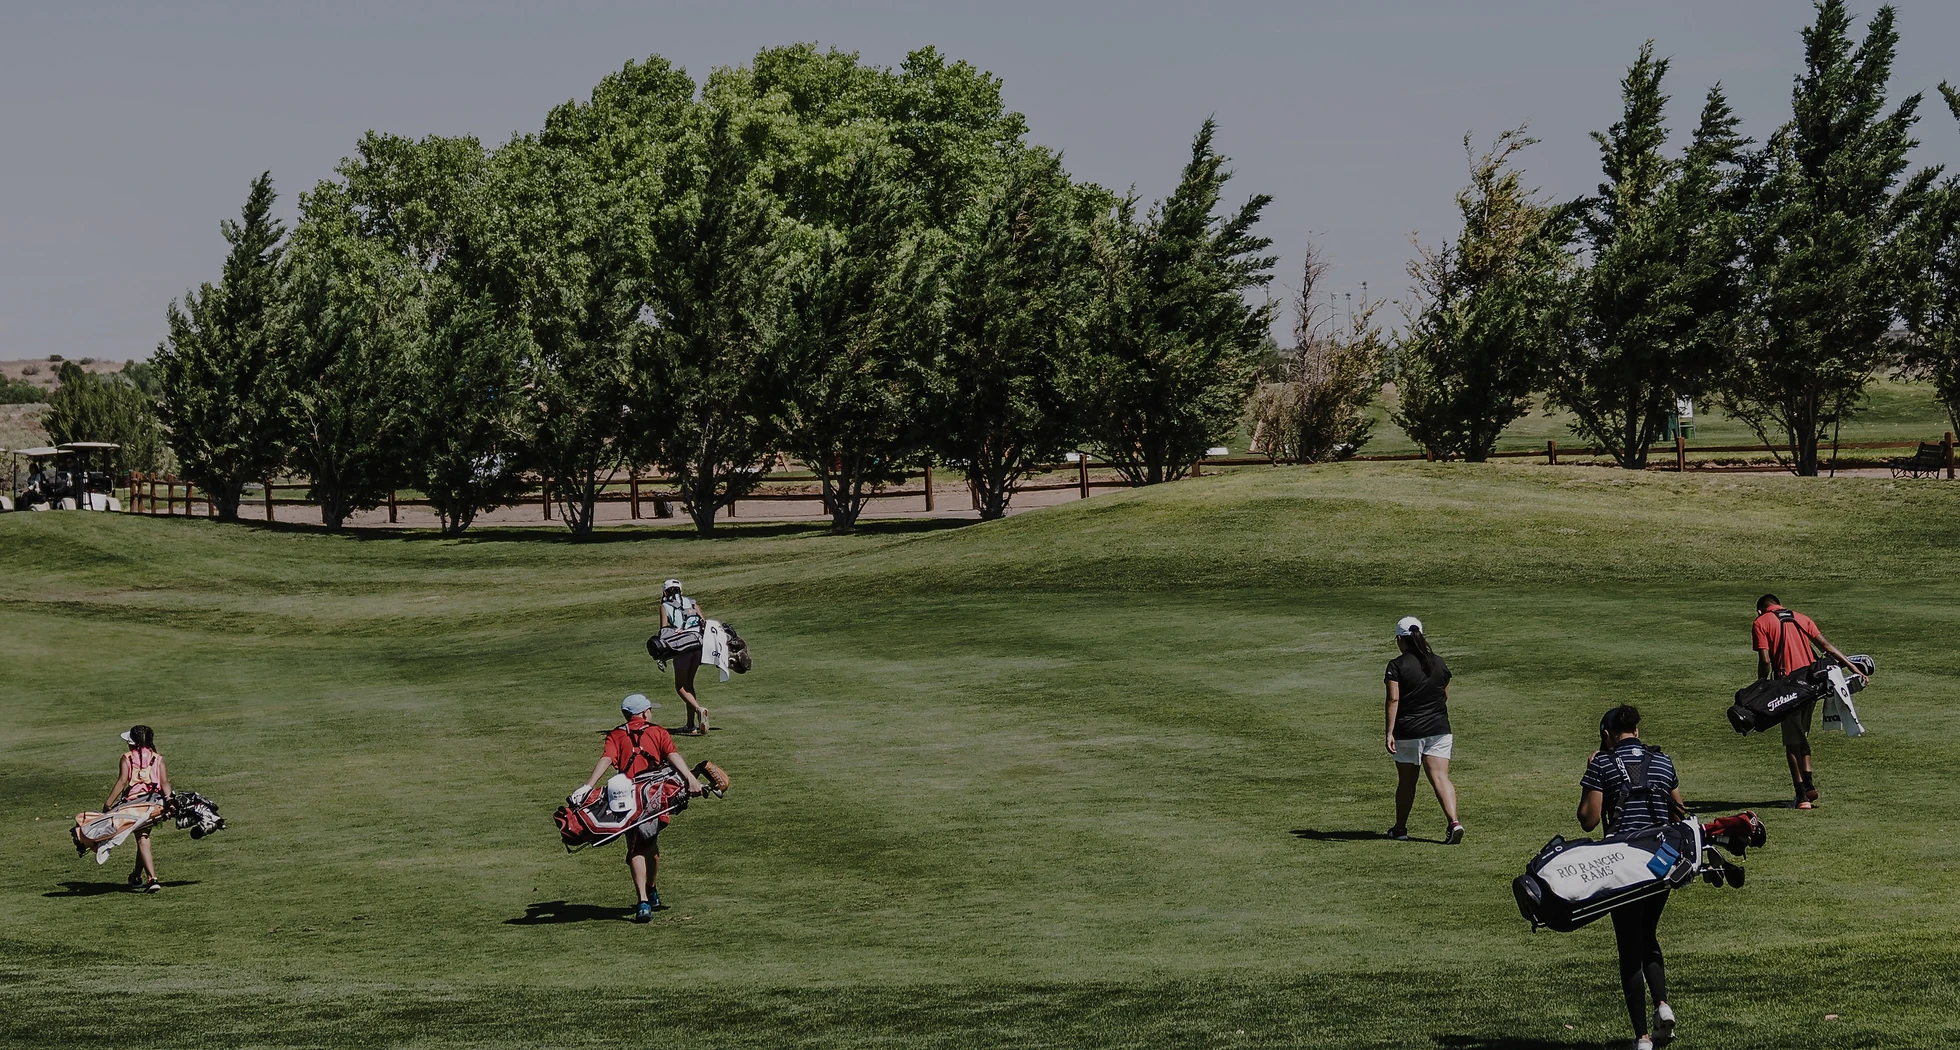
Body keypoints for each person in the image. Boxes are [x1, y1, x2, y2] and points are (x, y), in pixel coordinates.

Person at [1578, 705, 1687, 1050]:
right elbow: (1679, 812)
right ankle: (1662, 1005)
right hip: (1661, 861)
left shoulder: (1602, 763)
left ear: (1607, 735)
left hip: (1623, 863)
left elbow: (1588, 820)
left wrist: (1591, 772)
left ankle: (1641, 1036)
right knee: (1648, 934)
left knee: (1628, 945)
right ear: (1637, 731)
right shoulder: (1663, 761)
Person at [570, 693, 704, 922]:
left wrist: (587, 786)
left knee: (645, 846)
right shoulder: (657, 731)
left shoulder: (615, 735)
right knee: (640, 847)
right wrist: (691, 779)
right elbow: (672, 756)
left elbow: (606, 759)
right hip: (653, 796)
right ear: (643, 713)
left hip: (625, 797)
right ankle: (645, 898)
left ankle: (648, 891)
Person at [1751, 594, 1863, 810]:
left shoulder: (1761, 622)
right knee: (1802, 736)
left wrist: (1761, 686)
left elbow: (1765, 661)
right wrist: (1854, 668)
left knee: (1791, 743)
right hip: (1812, 686)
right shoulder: (1801, 617)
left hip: (1787, 688)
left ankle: (1801, 796)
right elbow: (1828, 647)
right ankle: (1809, 786)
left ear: (1759, 610)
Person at [1383, 616, 1464, 844]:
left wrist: (1389, 732)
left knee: (1407, 781)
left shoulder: (1396, 665)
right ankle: (1454, 822)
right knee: (1440, 777)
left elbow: (1393, 699)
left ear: (1400, 639)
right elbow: (1444, 694)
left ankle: (1400, 829)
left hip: (1409, 730)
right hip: (1439, 728)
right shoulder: (1439, 662)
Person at [104, 725, 172, 893]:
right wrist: (170, 801)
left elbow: (122, 782)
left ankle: (152, 879)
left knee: (142, 839)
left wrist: (107, 805)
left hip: (134, 805)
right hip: (155, 805)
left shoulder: (126, 757)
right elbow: (164, 783)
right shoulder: (158, 758)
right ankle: (136, 876)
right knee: (143, 837)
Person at [660, 579, 710, 735]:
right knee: (689, 684)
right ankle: (690, 726)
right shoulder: (692, 602)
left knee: (680, 686)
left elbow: (664, 630)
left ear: (665, 592)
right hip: (698, 646)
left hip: (682, 648)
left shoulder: (665, 606)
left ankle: (698, 710)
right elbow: (704, 622)